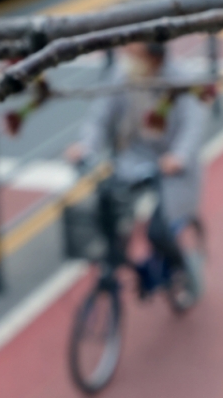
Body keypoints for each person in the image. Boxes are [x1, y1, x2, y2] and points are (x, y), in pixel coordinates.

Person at [64, 41, 206, 284]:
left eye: (133, 52)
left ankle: (186, 271)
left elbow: (193, 124)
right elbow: (100, 117)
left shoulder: (182, 80)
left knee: (159, 232)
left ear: (153, 54)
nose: (126, 56)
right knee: (109, 214)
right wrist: (86, 146)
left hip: (171, 169)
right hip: (134, 160)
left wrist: (178, 156)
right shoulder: (123, 75)